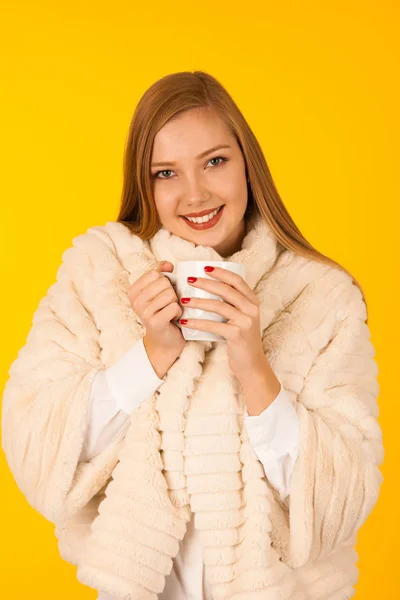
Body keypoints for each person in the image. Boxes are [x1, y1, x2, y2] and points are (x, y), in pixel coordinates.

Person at [1, 71, 384, 600]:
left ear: (248, 163)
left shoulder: (321, 297)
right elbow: (39, 451)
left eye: (215, 161)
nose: (195, 193)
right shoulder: (99, 274)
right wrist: (152, 354)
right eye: (166, 172)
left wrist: (253, 365)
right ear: (144, 183)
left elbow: (341, 499)